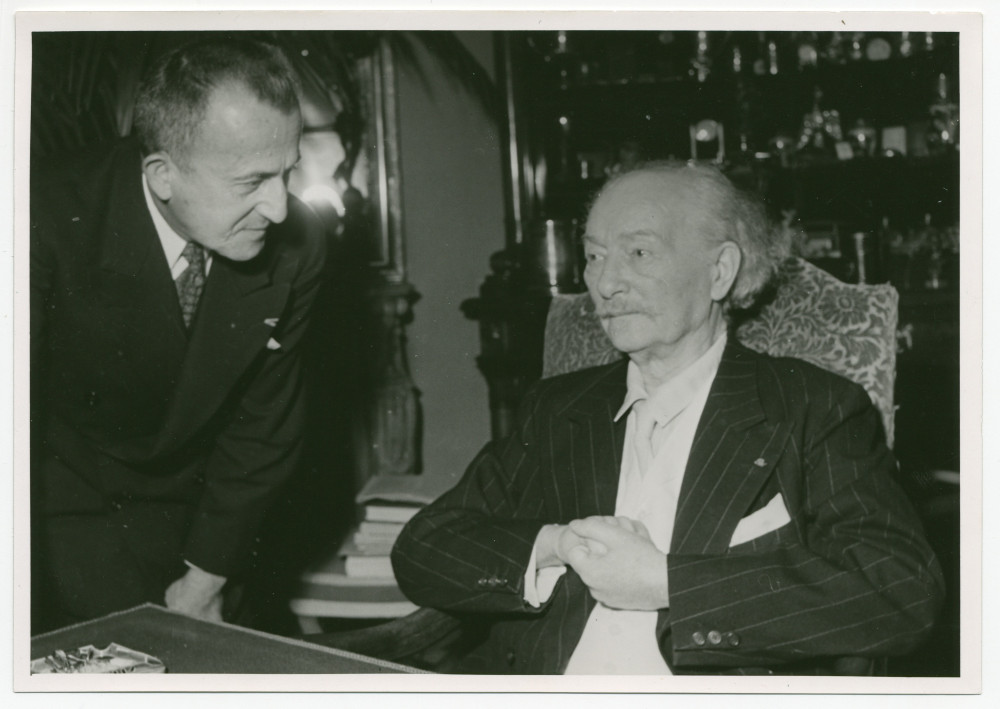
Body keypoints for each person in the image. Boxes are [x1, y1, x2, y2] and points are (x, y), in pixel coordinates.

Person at [391, 162, 944, 675]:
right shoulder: (558, 407)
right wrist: (555, 545)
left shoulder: (812, 407)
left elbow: (899, 593)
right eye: (593, 255)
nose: (604, 284)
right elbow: (424, 550)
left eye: (638, 254)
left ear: (720, 271)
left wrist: (669, 583)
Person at [30, 37, 326, 629]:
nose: (276, 208)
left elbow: (263, 428)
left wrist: (206, 578)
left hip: (201, 528)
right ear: (162, 175)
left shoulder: (299, 244)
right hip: (52, 510)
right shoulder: (37, 218)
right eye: (250, 182)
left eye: (287, 173)